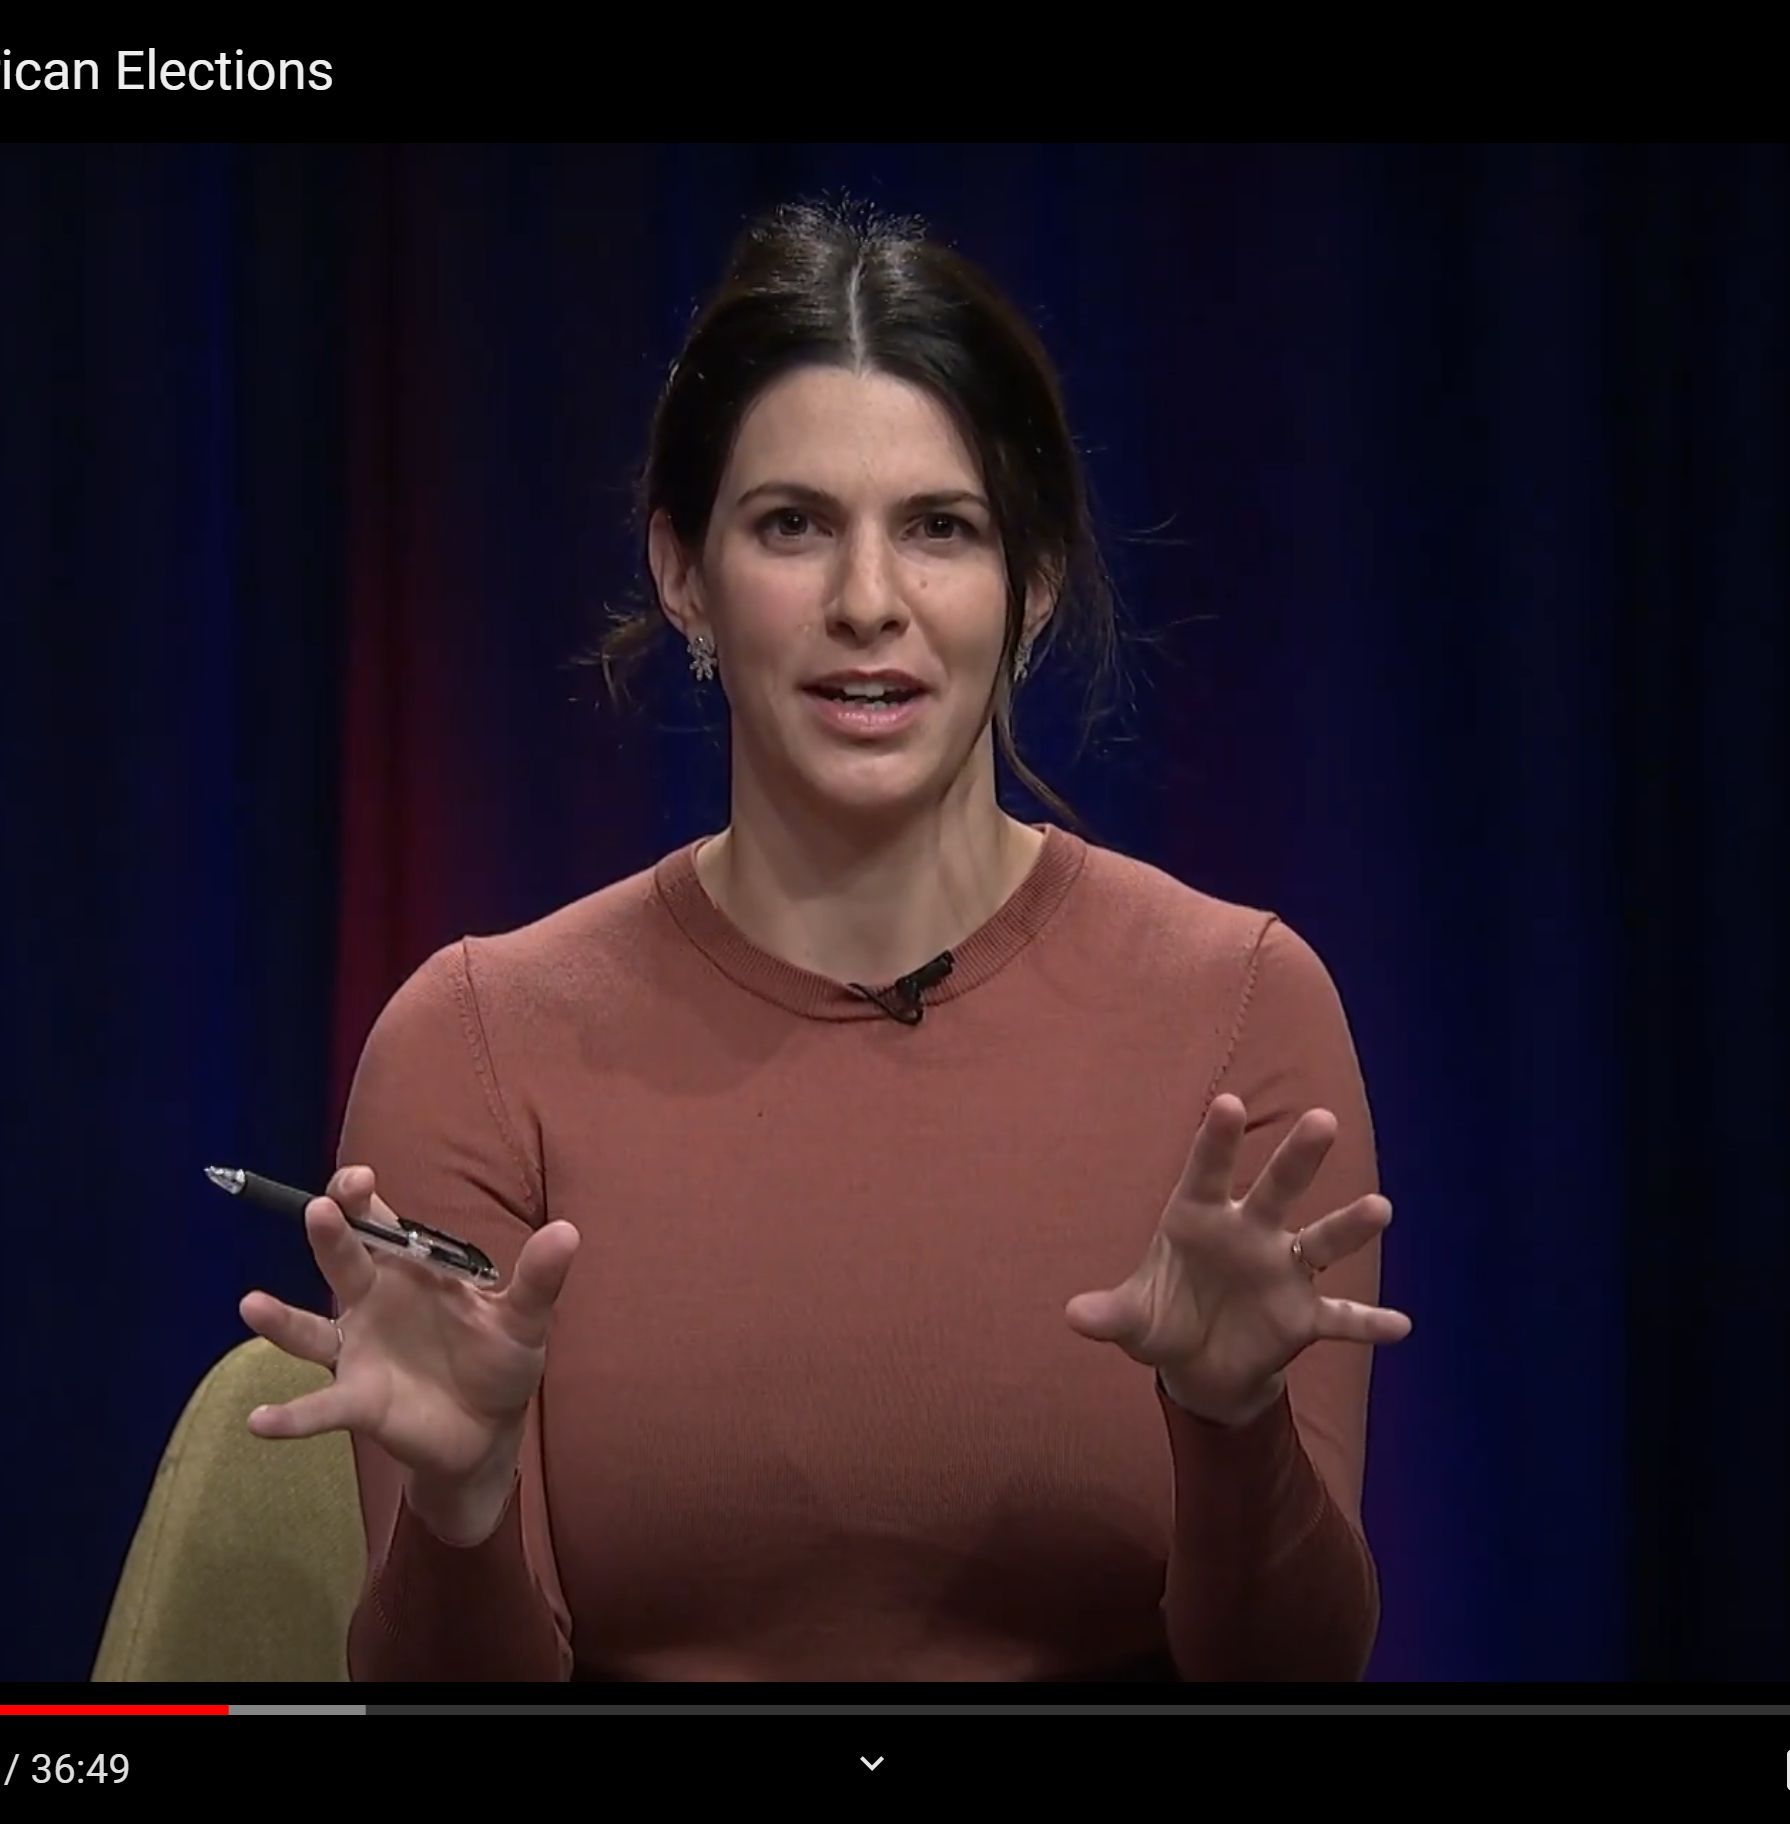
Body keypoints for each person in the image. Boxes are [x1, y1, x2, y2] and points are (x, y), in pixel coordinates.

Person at [233, 198, 1413, 1681]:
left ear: (1034, 583)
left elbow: (1294, 1675)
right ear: (684, 574)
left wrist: (1236, 1427)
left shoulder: (1239, 1009)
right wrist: (460, 1512)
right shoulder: (478, 1044)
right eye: (793, 526)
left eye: (940, 529)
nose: (869, 604)